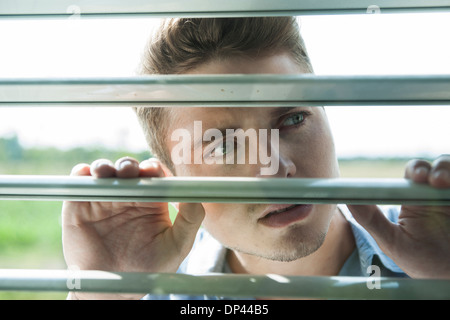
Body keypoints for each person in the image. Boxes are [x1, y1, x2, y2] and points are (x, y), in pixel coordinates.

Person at [62, 17, 450, 300]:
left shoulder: (435, 254)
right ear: (172, 179)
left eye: (293, 119)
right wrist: (102, 297)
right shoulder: (156, 291)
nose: (276, 168)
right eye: (223, 144)